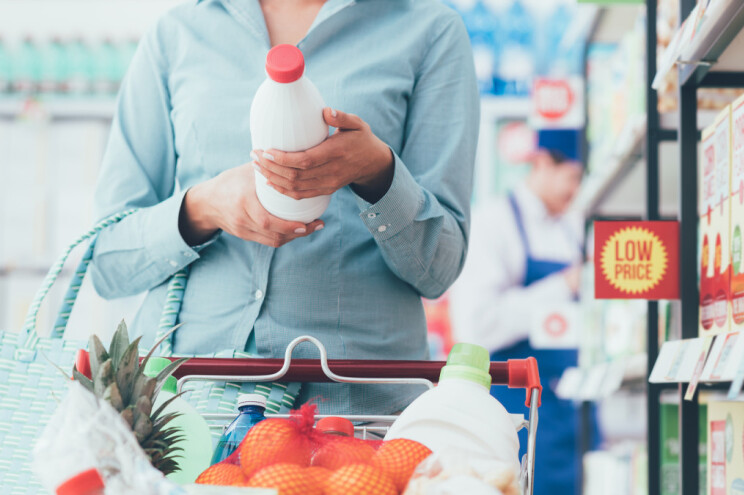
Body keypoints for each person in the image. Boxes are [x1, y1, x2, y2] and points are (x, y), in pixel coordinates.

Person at [89, 0, 478, 416]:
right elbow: (108, 263)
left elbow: (439, 269)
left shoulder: (429, 29)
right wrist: (202, 209)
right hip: (185, 409)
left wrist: (378, 173)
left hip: (353, 411)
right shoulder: (179, 33)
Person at [450, 128, 586, 494]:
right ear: (541, 163)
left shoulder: (572, 228)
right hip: (514, 412)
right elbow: (478, 325)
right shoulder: (494, 223)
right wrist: (564, 286)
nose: (576, 189)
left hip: (569, 412)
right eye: (572, 176)